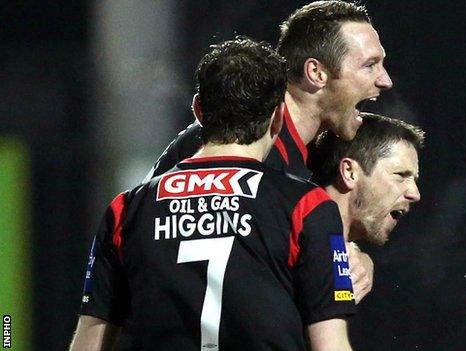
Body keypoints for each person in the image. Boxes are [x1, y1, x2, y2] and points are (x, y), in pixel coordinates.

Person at [70, 38, 354, 351]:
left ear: (199, 111)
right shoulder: (308, 207)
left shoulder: (125, 210)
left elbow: (89, 344)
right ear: (278, 119)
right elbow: (331, 345)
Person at [145, 0, 393, 303]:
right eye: (369, 65)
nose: (385, 80)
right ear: (316, 73)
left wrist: (353, 258)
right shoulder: (235, 141)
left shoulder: (318, 152)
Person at [309, 113, 424, 245]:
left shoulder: (332, 245)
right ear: (349, 172)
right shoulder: (292, 237)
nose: (415, 194)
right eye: (400, 175)